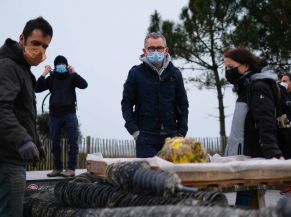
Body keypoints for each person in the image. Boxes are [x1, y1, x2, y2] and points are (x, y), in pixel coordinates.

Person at [0, 17, 52, 217]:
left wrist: (36, 145)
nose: (40, 50)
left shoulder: (22, 69)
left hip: (12, 157)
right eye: (36, 43)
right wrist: (23, 142)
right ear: (22, 39)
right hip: (8, 160)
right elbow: (2, 108)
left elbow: (23, 114)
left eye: (45, 46)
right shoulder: (8, 66)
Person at [223, 47, 283, 208]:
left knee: (243, 207)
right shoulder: (246, 87)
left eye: (231, 67)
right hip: (243, 157)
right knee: (251, 204)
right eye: (226, 68)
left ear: (245, 66)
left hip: (249, 158)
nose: (228, 71)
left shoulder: (256, 87)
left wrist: (273, 152)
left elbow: (265, 120)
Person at [121, 32, 189, 158]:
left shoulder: (175, 74)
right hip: (145, 138)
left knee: (173, 176)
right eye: (151, 48)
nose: (155, 51)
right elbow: (126, 103)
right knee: (148, 176)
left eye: (159, 48)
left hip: (172, 139)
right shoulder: (135, 73)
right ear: (145, 50)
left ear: (166, 50)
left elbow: (183, 105)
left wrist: (181, 133)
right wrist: (135, 132)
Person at [35, 55, 88, 177]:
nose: (60, 66)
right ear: (54, 67)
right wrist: (44, 73)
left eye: (63, 64)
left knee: (73, 141)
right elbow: (37, 88)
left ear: (67, 65)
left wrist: (74, 72)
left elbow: (84, 85)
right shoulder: (51, 79)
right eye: (58, 64)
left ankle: (71, 169)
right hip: (55, 115)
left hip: (70, 113)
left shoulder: (71, 77)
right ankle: (57, 168)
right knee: (54, 143)